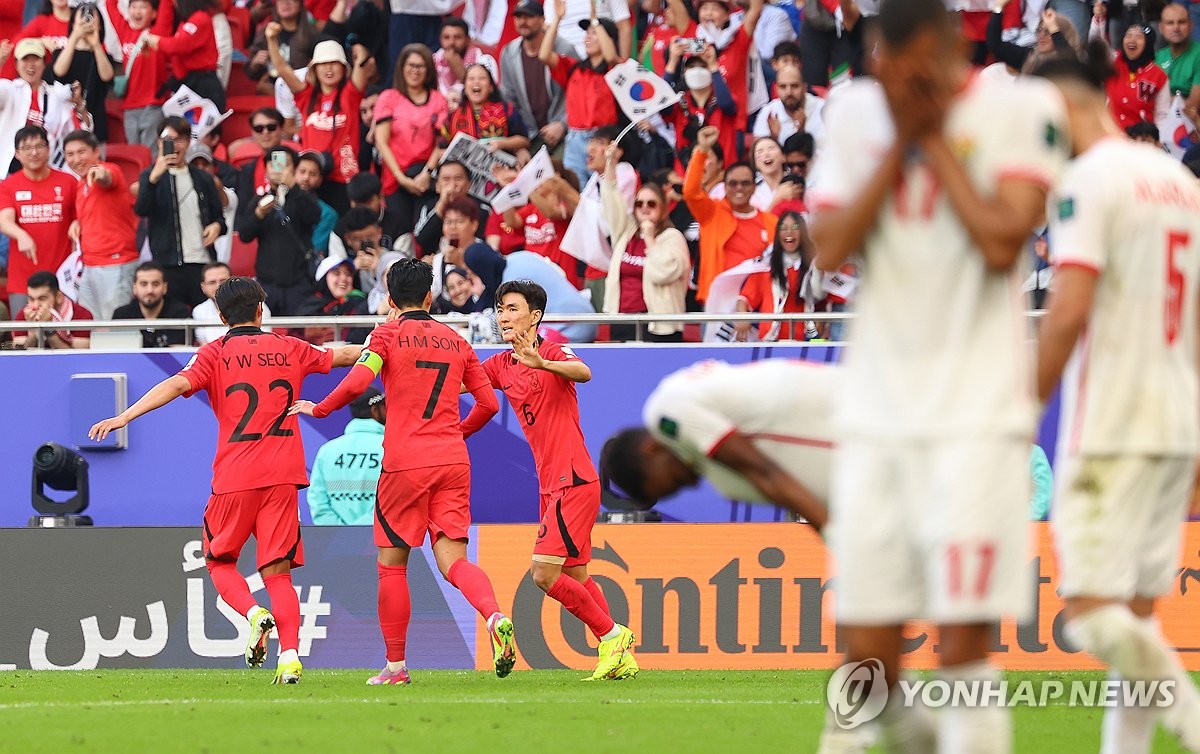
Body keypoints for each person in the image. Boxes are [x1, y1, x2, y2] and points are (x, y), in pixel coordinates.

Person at [808, 0, 1070, 749]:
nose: (889, 81)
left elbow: (1000, 240)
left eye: (904, 68)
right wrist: (900, 148)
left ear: (947, 49)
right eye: (881, 69)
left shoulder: (1018, 108)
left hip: (978, 415)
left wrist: (935, 144)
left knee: (963, 645)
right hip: (878, 411)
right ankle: (917, 735)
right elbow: (828, 246)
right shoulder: (859, 112)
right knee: (866, 647)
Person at [1033, 43, 1200, 754]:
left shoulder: (1086, 183)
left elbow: (1067, 309)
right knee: (1135, 617)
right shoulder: (1180, 183)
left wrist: (1015, 412)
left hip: (1112, 424)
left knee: (1092, 612)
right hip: (1177, 419)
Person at [90, 276, 362, 684]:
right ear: (261, 310)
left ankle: (254, 614)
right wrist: (384, 344)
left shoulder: (213, 353)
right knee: (279, 574)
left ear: (220, 317)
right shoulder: (292, 347)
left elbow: (175, 384)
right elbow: (344, 355)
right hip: (284, 476)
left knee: (219, 561)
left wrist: (125, 416)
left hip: (235, 475)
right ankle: (289, 658)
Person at [288, 258, 516, 686]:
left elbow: (358, 384)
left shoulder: (387, 334)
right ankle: (494, 615)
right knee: (454, 561)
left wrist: (318, 409)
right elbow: (488, 404)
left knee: (392, 566)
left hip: (404, 463)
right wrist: (455, 434)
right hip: (451, 460)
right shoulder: (456, 341)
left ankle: (396, 668)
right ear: (430, 297)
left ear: (390, 300)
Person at [478, 279, 637, 680]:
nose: (504, 317)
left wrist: (543, 363)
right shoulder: (501, 364)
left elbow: (583, 371)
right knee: (576, 576)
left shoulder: (550, 351)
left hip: (574, 479)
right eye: (500, 309)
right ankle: (620, 654)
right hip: (550, 485)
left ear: (535, 316)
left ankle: (611, 635)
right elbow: (465, 381)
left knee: (544, 574)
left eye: (512, 308)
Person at [599, 359, 832, 521]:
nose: (692, 485)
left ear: (653, 448)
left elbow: (765, 471)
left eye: (676, 480)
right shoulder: (724, 480)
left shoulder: (665, 412)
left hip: (847, 414)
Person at [270, 32, 371, 215]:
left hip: (343, 179)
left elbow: (363, 67)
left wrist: (361, 53)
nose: (329, 69)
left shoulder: (350, 94)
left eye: (334, 63)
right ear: (314, 69)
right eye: (323, 64)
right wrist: (271, 39)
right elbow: (283, 70)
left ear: (343, 68)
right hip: (310, 178)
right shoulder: (306, 96)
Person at [600, 144, 690, 342]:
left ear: (663, 208)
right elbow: (611, 201)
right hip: (623, 322)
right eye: (639, 203)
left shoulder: (672, 237)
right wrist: (610, 162)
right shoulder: (627, 234)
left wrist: (649, 239)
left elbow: (663, 273)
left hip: (659, 325)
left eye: (652, 203)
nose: (645, 208)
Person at [135, 116, 226, 309]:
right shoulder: (149, 175)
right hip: (167, 264)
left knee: (205, 317)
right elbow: (142, 209)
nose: (174, 146)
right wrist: (153, 178)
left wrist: (217, 226)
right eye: (168, 140)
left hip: (202, 261)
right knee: (176, 319)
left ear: (188, 142)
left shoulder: (202, 177)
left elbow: (220, 218)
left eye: (180, 140)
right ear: (159, 142)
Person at [684, 125, 778, 304]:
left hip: (753, 308)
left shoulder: (770, 222)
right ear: (725, 186)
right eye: (733, 183)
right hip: (716, 306)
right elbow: (690, 192)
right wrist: (702, 150)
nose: (739, 188)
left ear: (753, 187)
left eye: (745, 183)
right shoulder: (712, 213)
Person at [540, 1, 622, 185]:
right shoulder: (574, 68)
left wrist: (595, 20)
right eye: (587, 33)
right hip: (574, 139)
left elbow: (610, 56)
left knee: (602, 192)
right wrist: (557, 19)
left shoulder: (615, 69)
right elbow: (544, 55)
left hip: (602, 139)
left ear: (608, 39)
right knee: (575, 189)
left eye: (594, 33)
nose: (588, 37)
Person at [0, 125, 78, 316]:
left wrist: (78, 223)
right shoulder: (8, 185)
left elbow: (81, 217)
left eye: (39, 146)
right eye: (26, 148)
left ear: (49, 148)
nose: (33, 152)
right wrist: (21, 235)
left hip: (61, 280)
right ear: (17, 154)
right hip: (22, 281)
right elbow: (4, 220)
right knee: (25, 340)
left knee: (63, 336)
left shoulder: (68, 182)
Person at [236, 145, 320, 316]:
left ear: (294, 169)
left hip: (299, 282)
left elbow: (314, 217)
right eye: (273, 164)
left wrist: (293, 186)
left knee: (298, 334)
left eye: (284, 164)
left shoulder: (303, 197)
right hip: (267, 284)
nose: (278, 169)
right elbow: (244, 235)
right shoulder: (259, 200)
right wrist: (259, 214)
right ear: (266, 169)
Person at [374, 44, 449, 234]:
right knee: (400, 233)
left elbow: (440, 143)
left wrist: (427, 173)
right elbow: (381, 141)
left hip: (427, 178)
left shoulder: (438, 100)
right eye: (410, 65)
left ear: (428, 70)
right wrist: (401, 178)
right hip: (395, 178)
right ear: (401, 67)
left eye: (420, 66)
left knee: (425, 232)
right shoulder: (388, 97)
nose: (415, 71)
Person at [63, 129, 138, 320]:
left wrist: (100, 173)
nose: (76, 159)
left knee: (116, 328)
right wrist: (78, 222)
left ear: (96, 151)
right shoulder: (80, 185)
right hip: (89, 266)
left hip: (116, 262)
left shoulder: (111, 170)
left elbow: (106, 178)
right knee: (91, 328)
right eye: (70, 154)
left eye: (81, 152)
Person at [0, 38, 92, 174]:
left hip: (46, 168)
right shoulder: (9, 88)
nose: (31, 65)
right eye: (25, 60)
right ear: (16, 65)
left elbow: (84, 129)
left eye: (36, 59)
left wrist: (79, 104)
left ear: (44, 63)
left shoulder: (57, 93)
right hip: (8, 168)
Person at [499, 0, 572, 158]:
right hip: (530, 136)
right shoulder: (508, 53)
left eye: (529, 16)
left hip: (564, 132)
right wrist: (519, 144)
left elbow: (580, 93)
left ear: (542, 19)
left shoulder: (563, 49)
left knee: (561, 174)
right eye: (518, 17)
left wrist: (563, 124)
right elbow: (509, 102)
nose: (523, 21)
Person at [307, 386, 385, 526]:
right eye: (385, 407)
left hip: (336, 542)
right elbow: (396, 498)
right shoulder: (389, 448)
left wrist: (340, 532)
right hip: (382, 540)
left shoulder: (327, 451)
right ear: (375, 410)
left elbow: (318, 500)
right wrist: (366, 528)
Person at [734, 210, 814, 342]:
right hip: (770, 343)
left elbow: (821, 301)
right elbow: (744, 299)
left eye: (795, 227)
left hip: (802, 343)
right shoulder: (766, 268)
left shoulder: (811, 268)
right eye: (783, 227)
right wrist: (742, 316)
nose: (789, 232)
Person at [143, 0, 225, 110]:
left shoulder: (200, 18)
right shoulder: (185, 23)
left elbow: (178, 45)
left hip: (203, 84)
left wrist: (155, 40)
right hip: (187, 82)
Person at [51, 3, 115, 142]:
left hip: (95, 124)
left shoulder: (104, 56)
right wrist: (74, 37)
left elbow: (107, 76)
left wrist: (96, 44)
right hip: (65, 124)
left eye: (92, 15)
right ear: (73, 23)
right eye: (83, 14)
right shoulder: (60, 53)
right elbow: (59, 71)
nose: (87, 18)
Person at [107, 0, 165, 150]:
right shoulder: (124, 31)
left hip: (152, 105)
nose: (137, 11)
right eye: (133, 7)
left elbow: (166, 5)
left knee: (149, 154)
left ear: (154, 14)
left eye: (143, 7)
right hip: (130, 107)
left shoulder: (159, 32)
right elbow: (110, 4)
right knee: (135, 153)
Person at [443, 64, 530, 157]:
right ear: (465, 87)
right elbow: (445, 147)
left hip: (501, 166)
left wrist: (503, 143)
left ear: (491, 87)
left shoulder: (507, 109)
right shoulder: (453, 116)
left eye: (482, 78)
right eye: (471, 78)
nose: (476, 82)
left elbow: (524, 140)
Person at [112, 261, 195, 348]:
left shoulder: (180, 314)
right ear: (135, 288)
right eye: (144, 284)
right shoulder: (121, 316)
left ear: (164, 288)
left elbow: (179, 356)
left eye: (155, 284)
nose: (150, 290)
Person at [1106, 23, 1170, 131]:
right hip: (1112, 136)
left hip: (1141, 141)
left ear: (1148, 44)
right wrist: (1099, 20)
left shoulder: (1158, 76)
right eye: (1129, 35)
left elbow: (1163, 115)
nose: (1132, 40)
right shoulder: (1113, 63)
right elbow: (1096, 44)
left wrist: (1157, 141)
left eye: (1139, 37)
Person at [244, 0, 317, 93]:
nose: (285, 3)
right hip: (269, 89)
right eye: (280, 0)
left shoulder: (312, 35)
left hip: (299, 88)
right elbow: (250, 72)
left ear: (300, 5)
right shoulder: (265, 32)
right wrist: (254, 63)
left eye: (291, 0)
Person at [193, 261, 273, 345]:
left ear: (232, 281)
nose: (218, 286)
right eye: (212, 282)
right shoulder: (198, 310)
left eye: (223, 281)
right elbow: (203, 343)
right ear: (203, 287)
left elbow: (264, 339)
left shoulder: (256, 304)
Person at [13, 268, 91, 349]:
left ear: (59, 297)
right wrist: (33, 330)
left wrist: (49, 329)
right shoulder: (24, 314)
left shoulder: (81, 315)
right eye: (31, 299)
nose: (35, 305)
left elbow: (77, 358)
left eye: (42, 298)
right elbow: (19, 354)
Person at [301, 256, 371, 344]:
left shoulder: (359, 304)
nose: (344, 278)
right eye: (336, 273)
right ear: (323, 278)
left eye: (348, 274)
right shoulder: (309, 309)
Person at [433, 16, 498, 108]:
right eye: (446, 37)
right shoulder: (434, 61)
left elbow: (488, 95)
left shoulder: (484, 60)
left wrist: (458, 68)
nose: (451, 42)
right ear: (440, 40)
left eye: (457, 37)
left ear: (468, 40)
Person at [751, 64, 824, 144]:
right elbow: (757, 153)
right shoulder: (768, 113)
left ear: (804, 87)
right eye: (783, 86)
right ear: (776, 89)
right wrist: (773, 139)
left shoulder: (823, 109)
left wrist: (801, 132)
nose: (789, 92)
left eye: (794, 86)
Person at [1156, 2, 1200, 133]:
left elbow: (1191, 107)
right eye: (1170, 23)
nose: (1176, 28)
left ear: (1191, 26)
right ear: (1161, 28)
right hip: (1162, 123)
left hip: (1191, 127)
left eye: (1181, 22)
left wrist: (1162, 98)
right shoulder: (1158, 56)